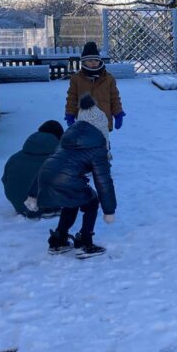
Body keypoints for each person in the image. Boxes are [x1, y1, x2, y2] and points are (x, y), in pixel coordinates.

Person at [26, 94, 117, 258]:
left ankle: (58, 239)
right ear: (100, 128)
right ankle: (85, 242)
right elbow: (103, 181)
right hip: (67, 179)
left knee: (73, 199)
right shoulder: (98, 145)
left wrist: (33, 194)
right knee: (91, 201)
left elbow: (48, 164)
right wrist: (109, 210)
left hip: (47, 176)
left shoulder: (68, 137)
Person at [1, 120, 63, 218]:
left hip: (20, 205)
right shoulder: (61, 160)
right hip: (48, 209)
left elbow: (5, 180)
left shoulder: (14, 158)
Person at [65, 41, 125, 131]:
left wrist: (118, 113)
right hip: (84, 121)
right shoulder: (76, 79)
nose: (93, 63)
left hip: (103, 121)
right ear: (84, 62)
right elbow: (72, 98)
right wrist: (70, 113)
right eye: (90, 61)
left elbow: (114, 98)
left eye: (96, 60)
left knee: (102, 140)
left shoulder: (108, 79)